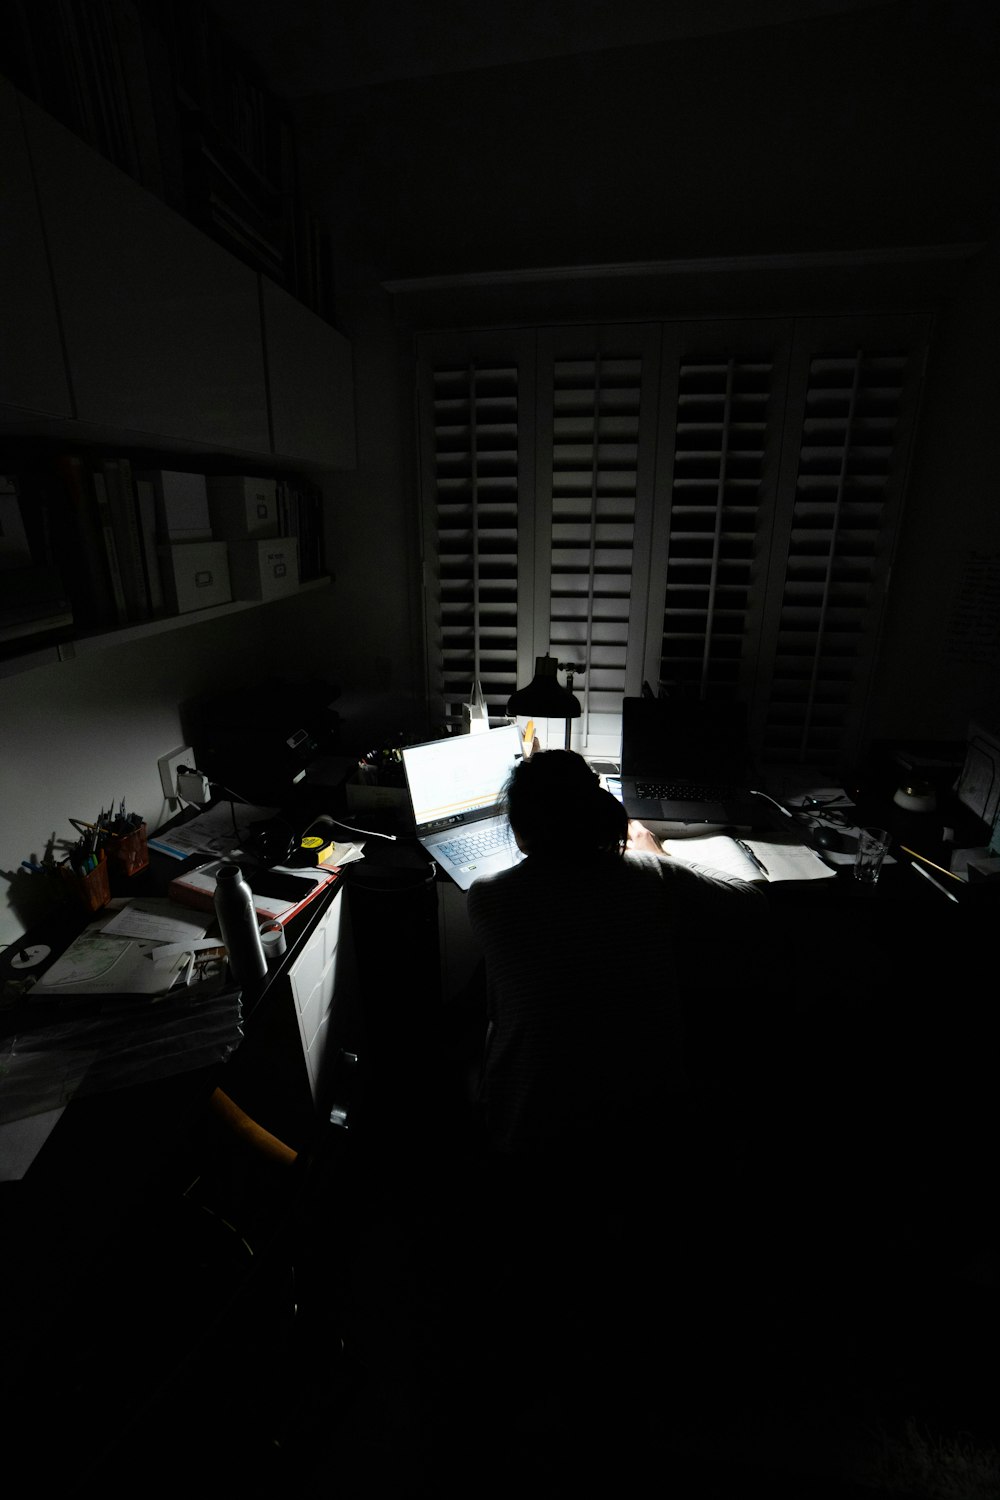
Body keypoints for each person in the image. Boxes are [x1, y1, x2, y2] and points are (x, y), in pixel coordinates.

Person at [466, 747, 768, 1165]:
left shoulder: (486, 897)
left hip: (528, 1130)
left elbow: (501, 1014)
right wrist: (656, 853)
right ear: (601, 815)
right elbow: (751, 900)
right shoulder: (652, 875)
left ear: (520, 826)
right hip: (648, 1126)